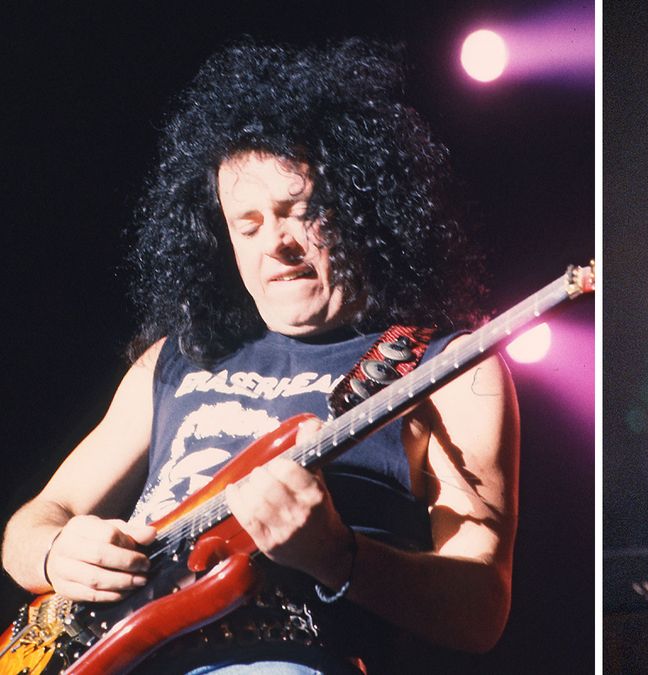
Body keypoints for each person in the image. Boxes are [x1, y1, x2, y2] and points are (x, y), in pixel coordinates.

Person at [0, 39, 519, 673]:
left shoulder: (446, 367)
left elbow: (481, 608)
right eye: (246, 224)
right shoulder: (175, 359)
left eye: (301, 213)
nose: (276, 244)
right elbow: (32, 524)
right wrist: (57, 552)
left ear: (362, 210)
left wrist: (338, 555)